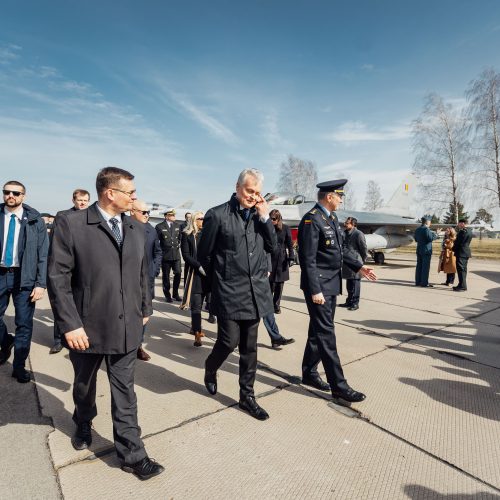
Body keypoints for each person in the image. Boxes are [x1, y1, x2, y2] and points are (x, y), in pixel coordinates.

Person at [47, 167, 164, 480]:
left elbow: (143, 274)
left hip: (126, 327)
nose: (135, 198)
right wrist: (70, 324)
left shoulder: (136, 228)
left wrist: (145, 308)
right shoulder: (71, 223)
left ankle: (133, 455)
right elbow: (58, 278)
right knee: (84, 386)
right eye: (131, 193)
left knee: (125, 394)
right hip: (85, 329)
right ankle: (83, 421)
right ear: (110, 193)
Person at [198, 168, 277, 420]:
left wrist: (265, 218)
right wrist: (220, 279)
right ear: (237, 187)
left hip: (255, 293)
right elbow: (204, 256)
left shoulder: (259, 216)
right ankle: (210, 368)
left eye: (257, 192)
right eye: (249, 191)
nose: (253, 196)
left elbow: (274, 247)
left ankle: (247, 396)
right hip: (228, 291)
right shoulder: (217, 215)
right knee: (228, 341)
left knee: (249, 348)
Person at [298, 179, 376, 403]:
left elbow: (341, 250)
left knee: (317, 331)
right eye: (339, 196)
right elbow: (308, 259)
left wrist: (359, 266)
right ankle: (339, 386)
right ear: (329, 197)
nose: (342, 199)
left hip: (332, 285)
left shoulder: (331, 219)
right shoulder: (312, 220)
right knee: (326, 335)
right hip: (320, 287)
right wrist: (315, 290)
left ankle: (309, 373)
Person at [0, 181, 48, 382]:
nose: (11, 195)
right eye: (7, 192)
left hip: (24, 277)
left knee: (23, 324)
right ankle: (6, 340)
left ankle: (19, 366)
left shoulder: (35, 221)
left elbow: (43, 254)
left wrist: (40, 283)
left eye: (16, 193)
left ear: (23, 196)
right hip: (1, 274)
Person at [49, 188, 91, 354]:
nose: (82, 203)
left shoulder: (91, 217)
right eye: (80, 200)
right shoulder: (63, 216)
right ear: (74, 200)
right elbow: (55, 242)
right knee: (63, 304)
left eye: (85, 200)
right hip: (66, 266)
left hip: (83, 267)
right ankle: (58, 340)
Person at [130, 200, 162, 361]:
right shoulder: (123, 228)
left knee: (144, 313)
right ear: (132, 212)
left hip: (146, 281)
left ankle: (138, 346)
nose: (147, 215)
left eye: (148, 212)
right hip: (128, 282)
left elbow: (158, 252)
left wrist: (153, 271)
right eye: (143, 212)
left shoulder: (151, 230)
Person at [180, 211, 208, 347]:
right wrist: (199, 266)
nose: (202, 220)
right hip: (195, 273)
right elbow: (186, 255)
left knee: (207, 304)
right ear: (194, 221)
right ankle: (197, 333)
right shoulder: (187, 235)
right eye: (200, 218)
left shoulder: (208, 234)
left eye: (204, 218)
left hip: (208, 275)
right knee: (196, 306)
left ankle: (194, 326)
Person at [263, 252, 295, 348]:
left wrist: (268, 268)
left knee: (267, 308)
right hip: (244, 277)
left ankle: (275, 338)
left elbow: (267, 251)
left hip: (260, 276)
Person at [268, 209, 294, 314]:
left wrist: (291, 257)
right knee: (270, 283)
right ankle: (268, 304)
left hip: (281, 259)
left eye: (273, 219)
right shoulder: (268, 228)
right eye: (270, 218)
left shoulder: (286, 228)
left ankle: (276, 305)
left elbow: (290, 244)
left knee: (279, 284)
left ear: (278, 219)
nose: (271, 220)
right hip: (270, 258)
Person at [340, 217, 368, 311]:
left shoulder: (358, 234)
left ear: (353, 224)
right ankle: (349, 301)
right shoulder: (344, 233)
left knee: (355, 283)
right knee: (349, 283)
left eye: (347, 223)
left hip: (356, 260)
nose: (345, 224)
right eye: (345, 222)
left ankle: (355, 303)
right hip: (348, 262)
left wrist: (363, 261)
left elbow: (363, 248)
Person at [156, 209, 182, 303]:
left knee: (178, 273)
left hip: (176, 255)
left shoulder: (177, 226)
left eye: (174, 215)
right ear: (166, 216)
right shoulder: (159, 226)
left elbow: (179, 239)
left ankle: (175, 293)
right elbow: (157, 241)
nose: (174, 217)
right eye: (172, 215)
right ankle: (167, 295)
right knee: (166, 276)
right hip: (166, 255)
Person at [414, 216, 438, 287]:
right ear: (428, 222)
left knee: (419, 267)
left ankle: (418, 282)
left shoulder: (417, 229)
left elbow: (416, 239)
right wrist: (436, 234)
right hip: (426, 250)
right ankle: (424, 283)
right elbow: (430, 238)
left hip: (419, 249)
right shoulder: (426, 229)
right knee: (425, 267)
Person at [453, 219, 472, 292]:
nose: (458, 224)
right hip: (465, 252)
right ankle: (461, 284)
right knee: (463, 270)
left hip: (461, 253)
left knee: (461, 270)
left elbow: (458, 243)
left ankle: (463, 286)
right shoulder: (469, 231)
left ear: (463, 223)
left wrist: (453, 248)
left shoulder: (462, 232)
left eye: (459, 223)